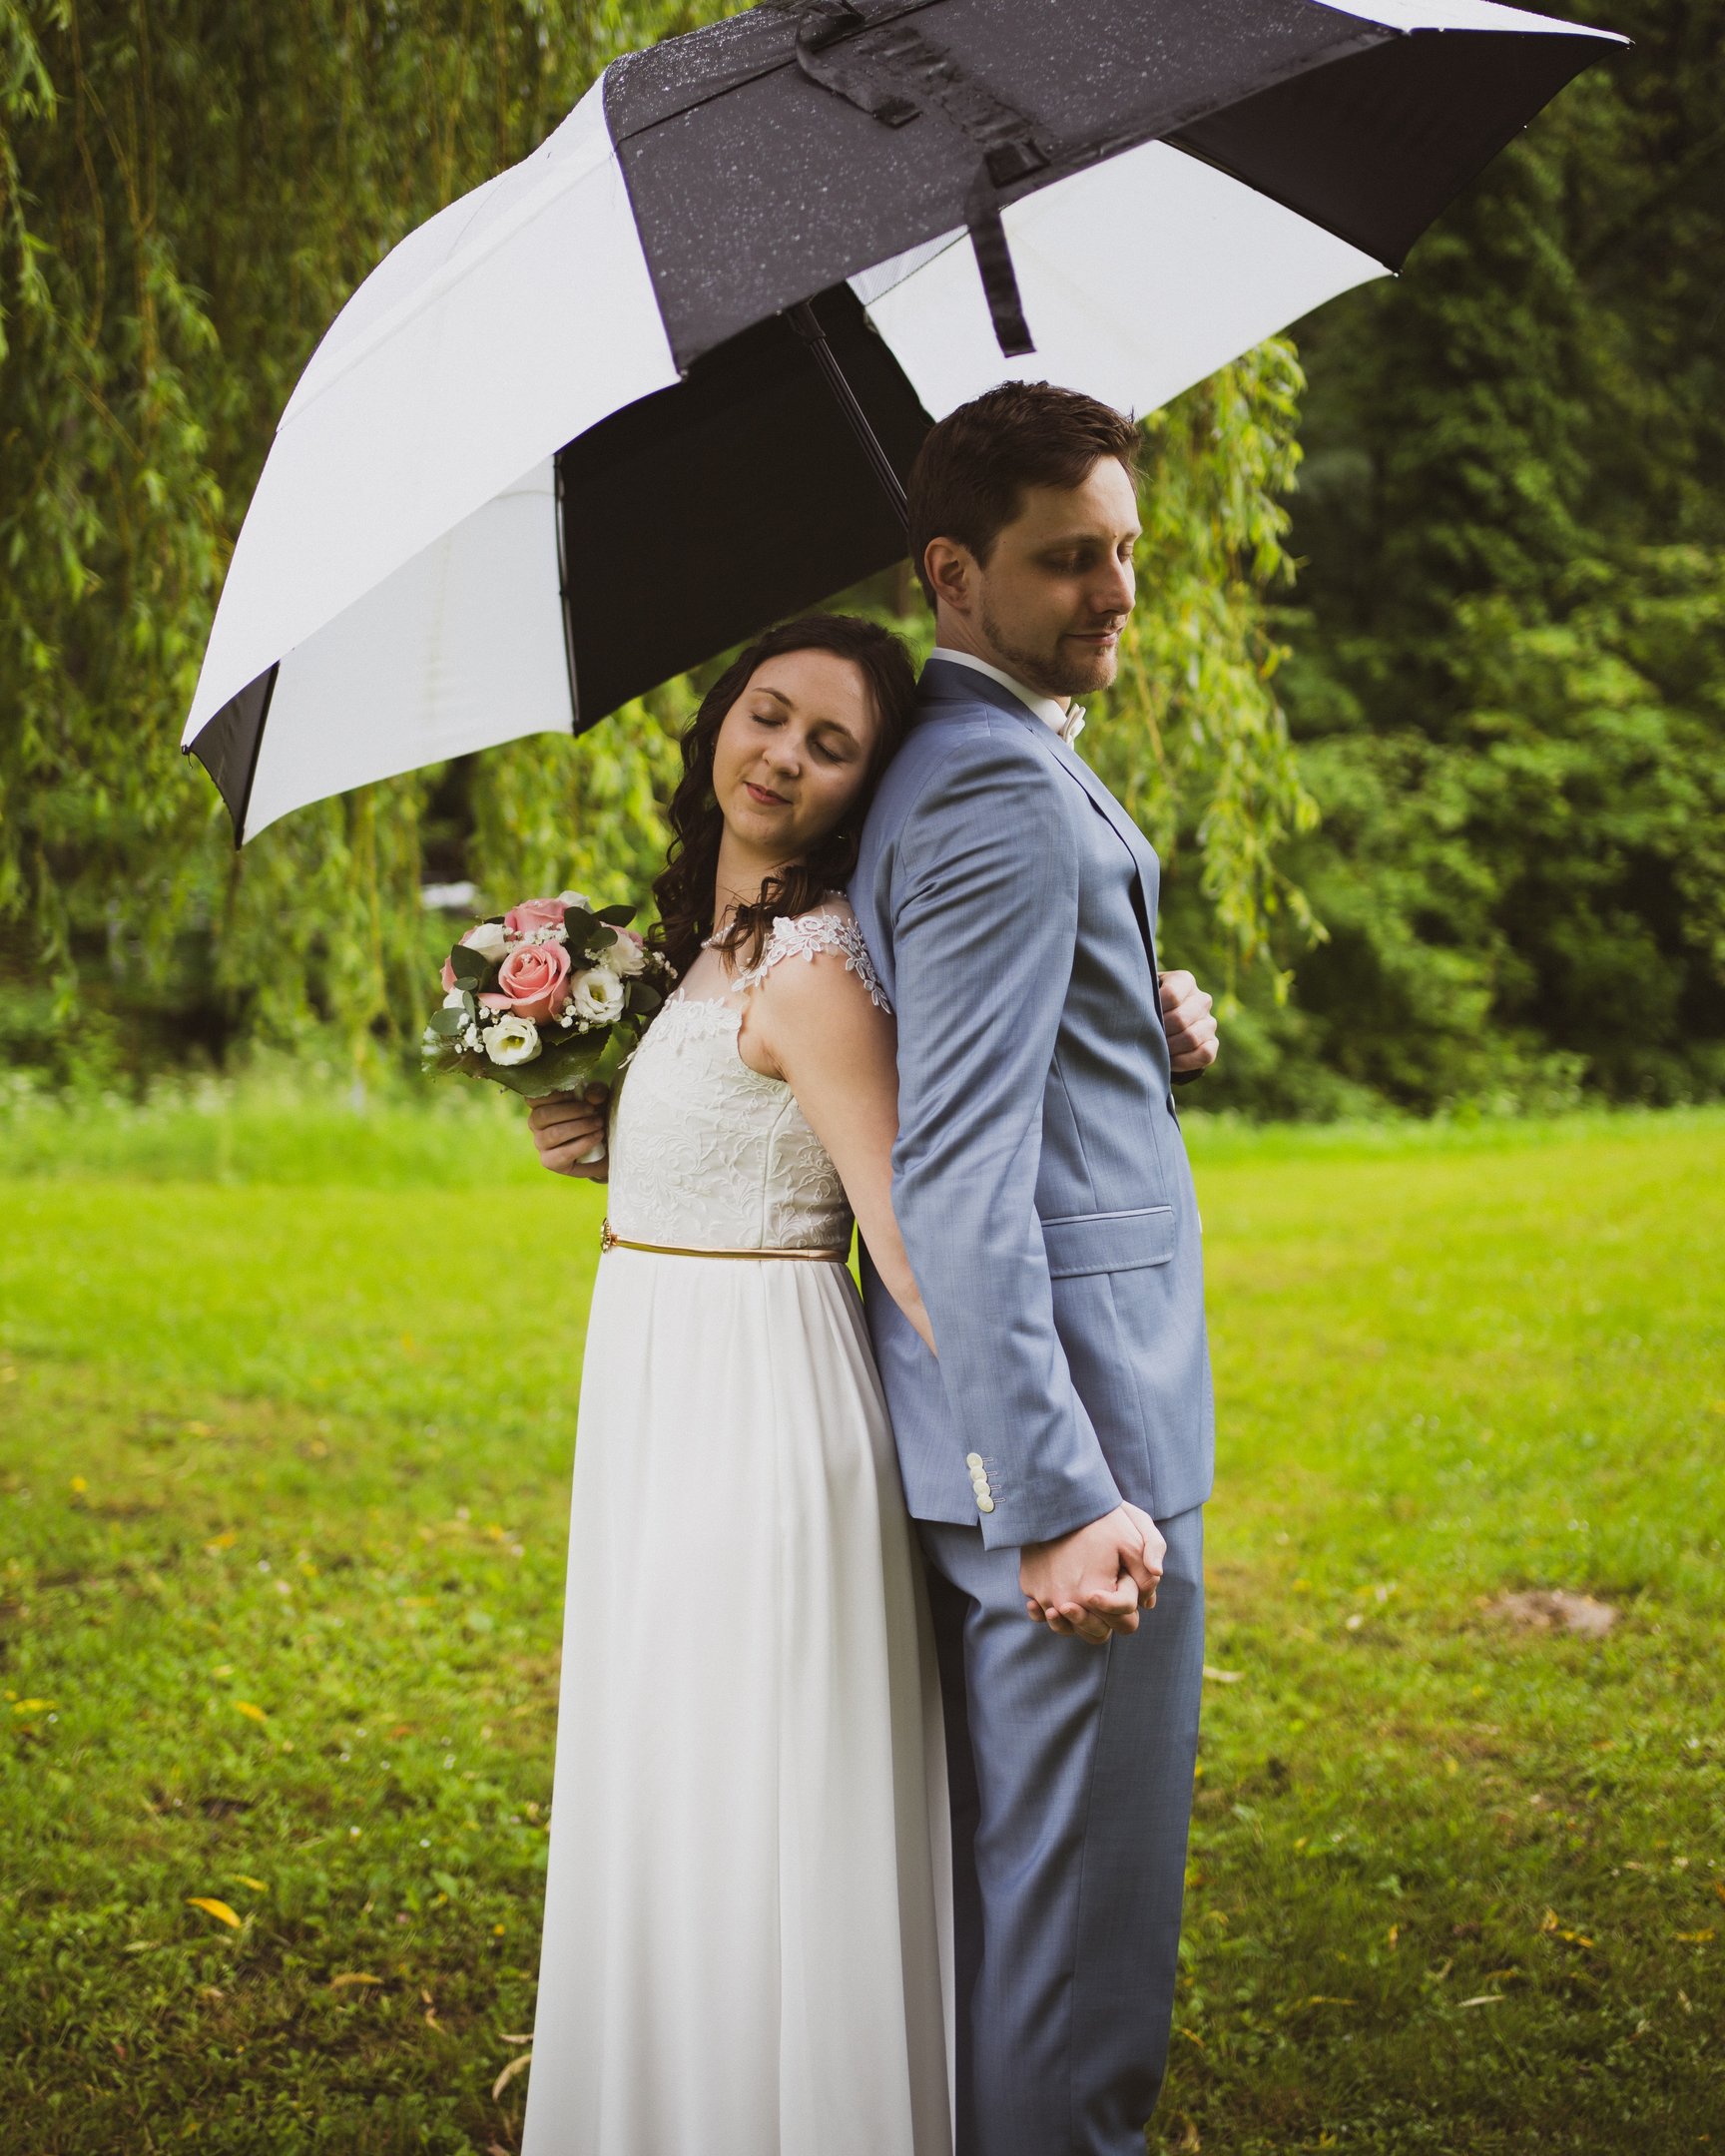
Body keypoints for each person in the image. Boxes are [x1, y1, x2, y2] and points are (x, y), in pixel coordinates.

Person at [517, 613, 954, 2156]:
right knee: (672, 1772)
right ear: (722, 720)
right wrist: (597, 1136)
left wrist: (1027, 1465)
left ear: (861, 790)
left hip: (757, 1409)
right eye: (771, 716)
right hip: (655, 1381)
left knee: (747, 1785)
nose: (785, 755)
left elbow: (902, 1229)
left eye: (832, 746)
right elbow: (709, 1158)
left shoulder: (817, 967)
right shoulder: (684, 953)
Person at [847, 381, 1219, 2156]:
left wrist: (1135, 1018)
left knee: (1032, 1922)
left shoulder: (982, 755)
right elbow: (962, 1179)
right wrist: (1061, 1495)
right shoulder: (993, 797)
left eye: (1125, 551)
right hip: (1076, 1445)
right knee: (1077, 1984)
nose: (1116, 592)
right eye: (1069, 560)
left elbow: (993, 1057)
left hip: (1041, 1418)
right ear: (952, 572)